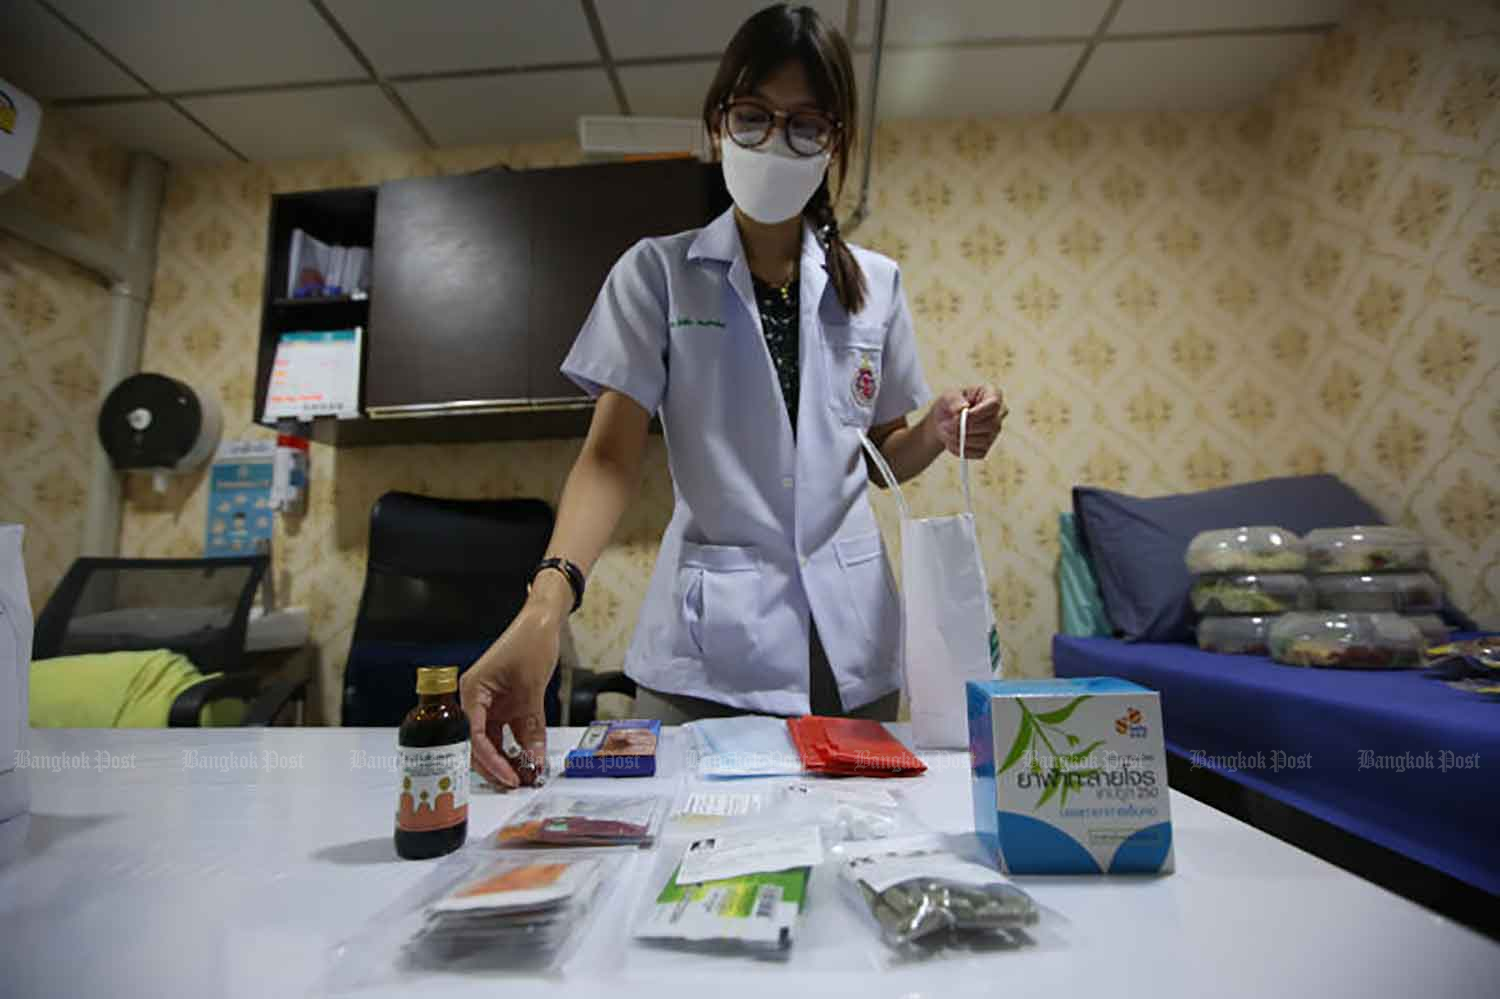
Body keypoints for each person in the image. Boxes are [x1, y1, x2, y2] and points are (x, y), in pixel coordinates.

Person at [462, 3, 1007, 789]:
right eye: (753, 116)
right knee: (693, 854)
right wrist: (547, 605)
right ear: (718, 125)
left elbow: (883, 452)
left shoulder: (876, 286)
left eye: (805, 124)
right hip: (706, 659)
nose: (775, 141)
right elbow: (611, 458)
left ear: (835, 143)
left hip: (849, 647)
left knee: (854, 859)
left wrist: (940, 429)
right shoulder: (657, 274)